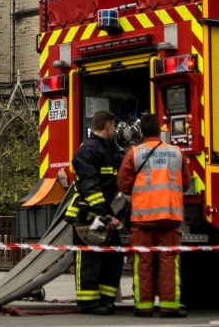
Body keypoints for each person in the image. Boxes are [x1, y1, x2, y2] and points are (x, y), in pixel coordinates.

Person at [117, 113, 191, 318]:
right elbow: (185, 184)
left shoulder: (134, 154)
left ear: (141, 132)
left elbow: (123, 184)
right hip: (169, 218)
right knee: (169, 264)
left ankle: (143, 307)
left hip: (142, 221)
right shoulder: (177, 153)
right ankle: (169, 307)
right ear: (160, 130)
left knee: (143, 264)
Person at [64, 109, 124, 315]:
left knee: (113, 257)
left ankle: (107, 300)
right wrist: (105, 213)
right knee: (89, 260)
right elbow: (91, 186)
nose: (115, 130)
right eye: (113, 126)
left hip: (105, 214)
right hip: (87, 216)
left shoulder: (106, 150)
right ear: (107, 125)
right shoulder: (87, 151)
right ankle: (88, 303)